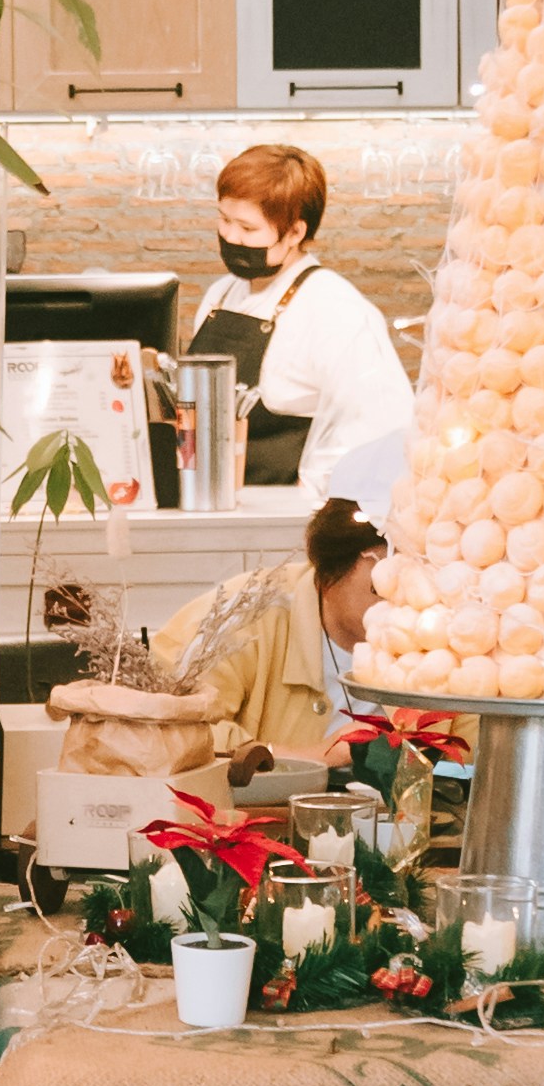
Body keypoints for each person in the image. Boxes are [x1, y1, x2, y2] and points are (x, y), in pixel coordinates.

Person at [182, 140, 414, 516]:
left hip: (288, 516)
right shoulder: (221, 295)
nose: (231, 238)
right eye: (224, 219)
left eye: (247, 227)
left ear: (294, 232)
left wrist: (319, 491)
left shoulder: (334, 308)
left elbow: (384, 428)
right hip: (213, 506)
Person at [155, 499, 392, 761]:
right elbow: (166, 727)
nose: (404, 596)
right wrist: (313, 757)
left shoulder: (437, 631)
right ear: (327, 573)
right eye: (383, 583)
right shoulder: (245, 615)